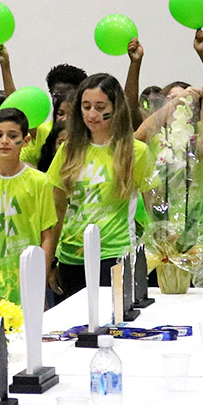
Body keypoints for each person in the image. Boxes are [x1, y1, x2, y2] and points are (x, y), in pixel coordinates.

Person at [45, 74, 153, 304]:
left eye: (100, 107)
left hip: (114, 255)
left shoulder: (136, 152)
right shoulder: (67, 151)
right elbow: (57, 211)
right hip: (71, 258)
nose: (92, 114)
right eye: (86, 107)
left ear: (116, 109)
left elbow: (155, 208)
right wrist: (50, 261)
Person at [0, 107, 60, 307]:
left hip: (27, 276)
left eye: (12, 135)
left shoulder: (40, 182)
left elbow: (46, 235)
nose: (5, 141)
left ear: (26, 140)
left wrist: (40, 278)